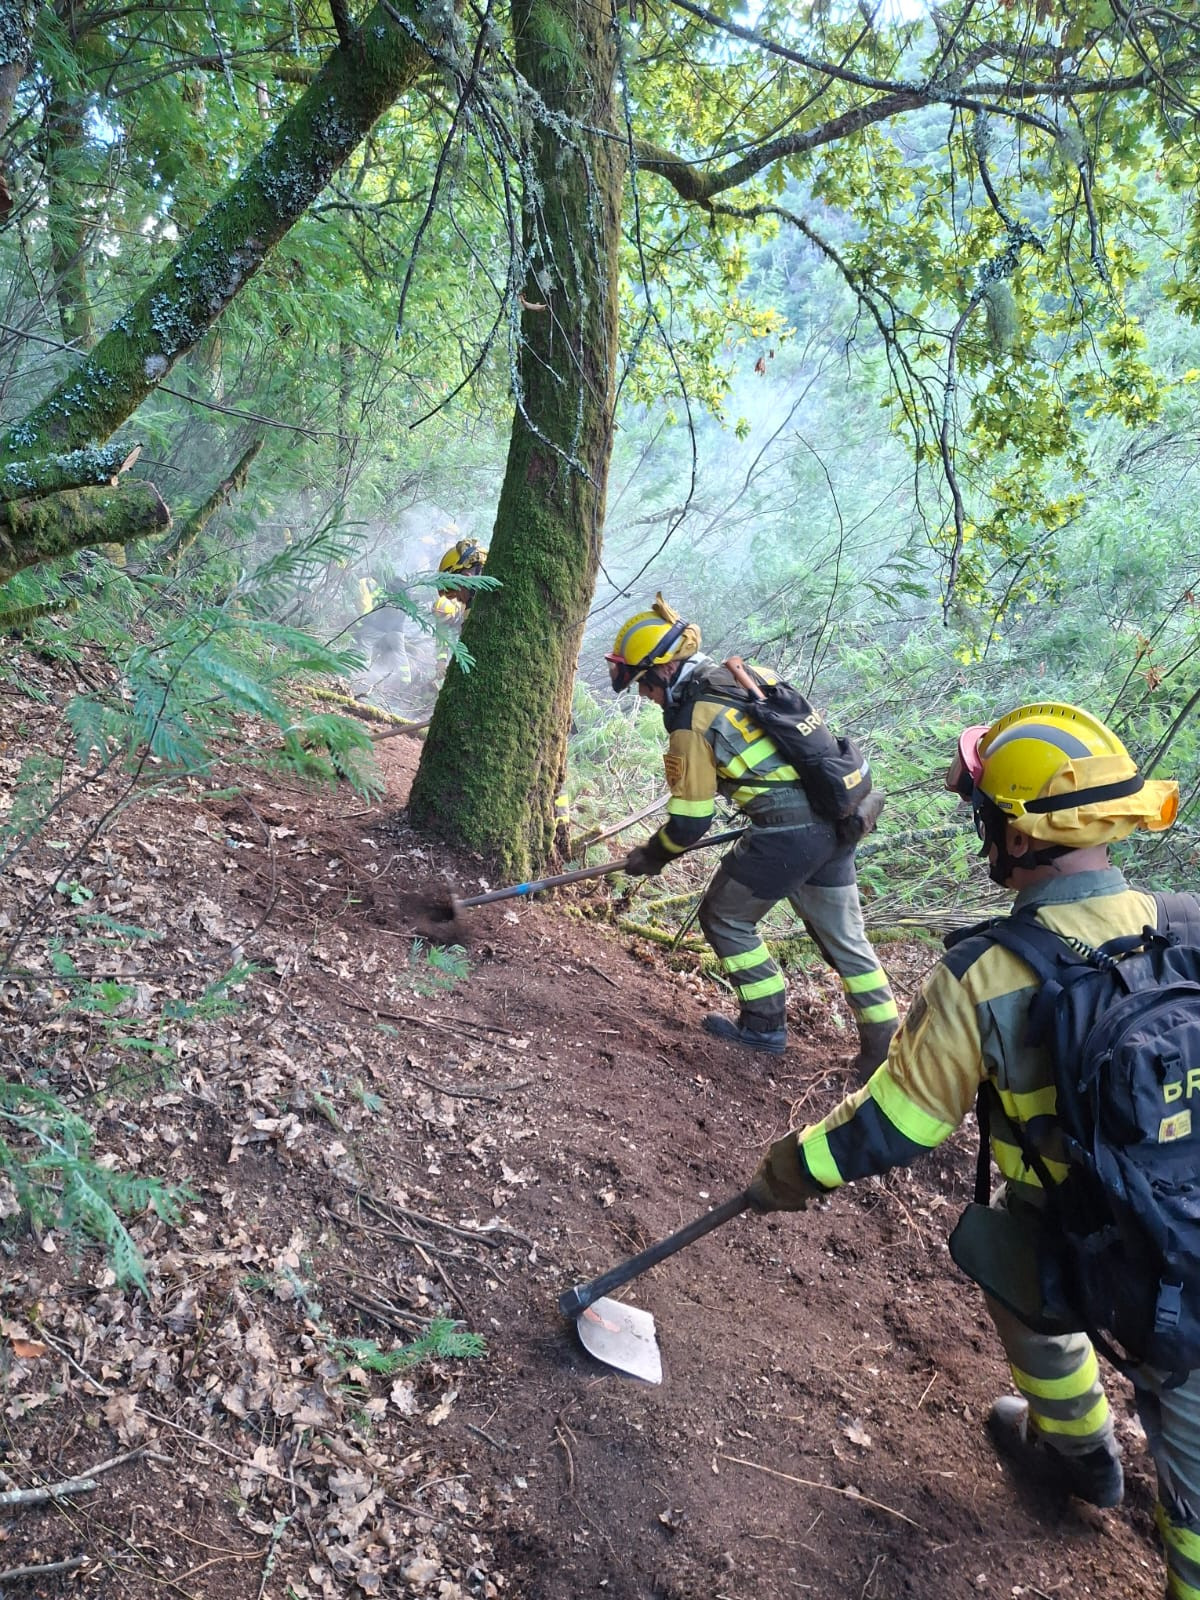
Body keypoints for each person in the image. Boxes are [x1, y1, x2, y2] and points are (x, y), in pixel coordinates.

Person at [746, 702, 1197, 1594]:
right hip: (1188, 1233)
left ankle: (1081, 1453)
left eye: (986, 816)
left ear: (1021, 837)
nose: (980, 831)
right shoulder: (1190, 922)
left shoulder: (984, 974)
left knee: (1010, 1253)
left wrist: (790, 1169)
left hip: (1089, 1240)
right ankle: (1083, 1454)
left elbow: (900, 1123)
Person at [607, 594, 898, 1074]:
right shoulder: (745, 675)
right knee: (847, 940)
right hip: (840, 815)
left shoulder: (690, 721)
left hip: (791, 834)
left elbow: (689, 822)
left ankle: (763, 1027)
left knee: (725, 917)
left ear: (663, 670)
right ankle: (883, 1055)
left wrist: (653, 856)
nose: (645, 696)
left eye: (644, 684)